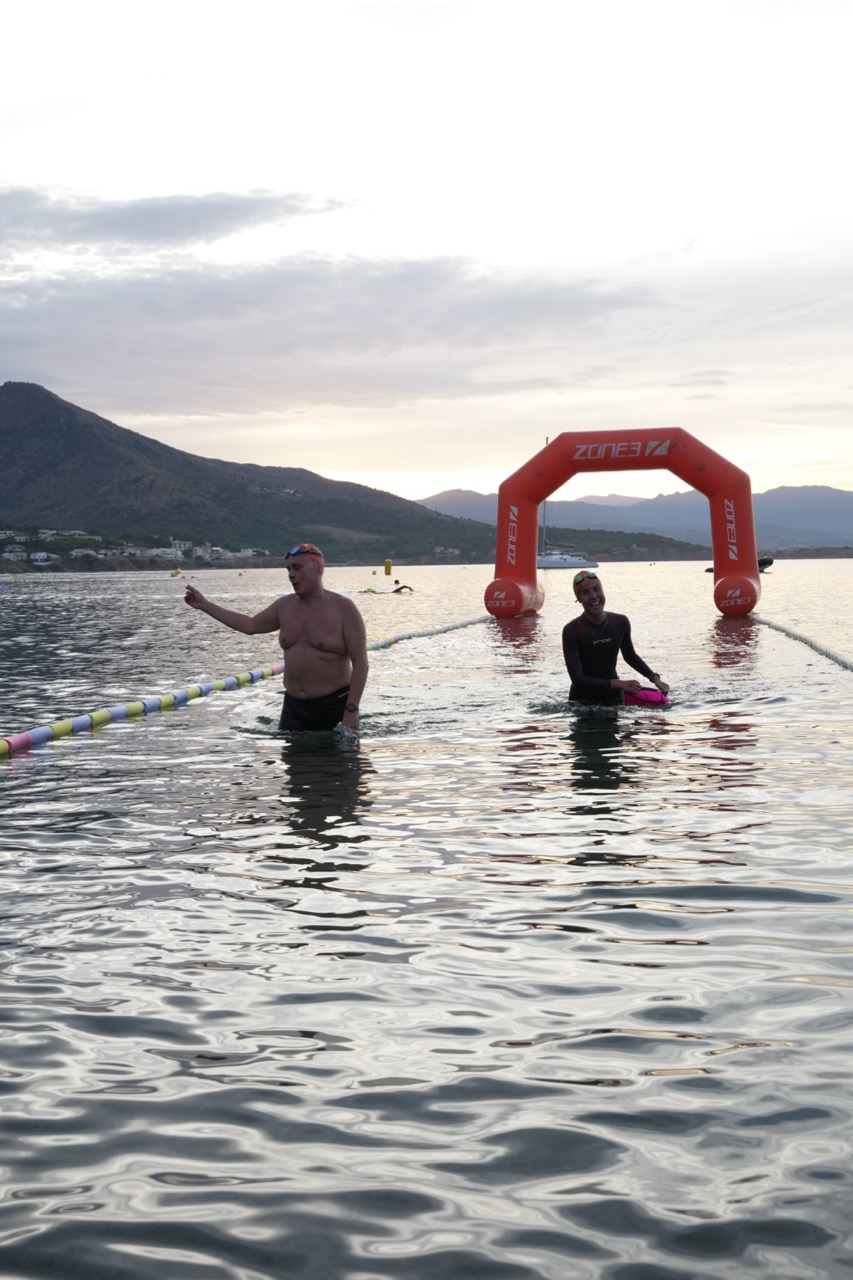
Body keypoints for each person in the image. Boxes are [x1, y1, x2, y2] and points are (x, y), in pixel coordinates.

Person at [184, 542, 368, 732]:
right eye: (289, 569)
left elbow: (361, 663)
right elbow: (250, 625)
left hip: (334, 706)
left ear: (318, 568)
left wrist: (351, 710)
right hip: (293, 708)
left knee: (334, 753)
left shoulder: (343, 609)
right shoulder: (284, 607)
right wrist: (204, 605)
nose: (291, 574)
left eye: (297, 567)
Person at [562, 570, 670, 706]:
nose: (593, 596)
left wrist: (654, 678)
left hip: (614, 699)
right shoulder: (572, 630)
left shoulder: (620, 622)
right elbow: (578, 679)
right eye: (585, 592)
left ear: (603, 590)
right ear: (578, 598)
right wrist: (619, 684)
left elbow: (630, 656)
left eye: (597, 589)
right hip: (582, 703)